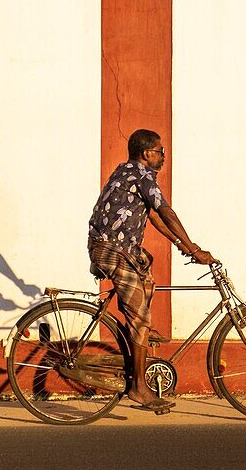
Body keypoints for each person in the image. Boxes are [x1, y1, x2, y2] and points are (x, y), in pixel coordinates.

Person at [87, 128, 216, 412]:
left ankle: (141, 331)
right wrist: (195, 249)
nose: (163, 157)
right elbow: (166, 211)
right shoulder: (142, 175)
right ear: (147, 153)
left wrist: (181, 244)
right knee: (139, 317)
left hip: (118, 249)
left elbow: (154, 216)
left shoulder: (126, 171)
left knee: (146, 264)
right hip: (114, 250)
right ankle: (138, 388)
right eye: (160, 152)